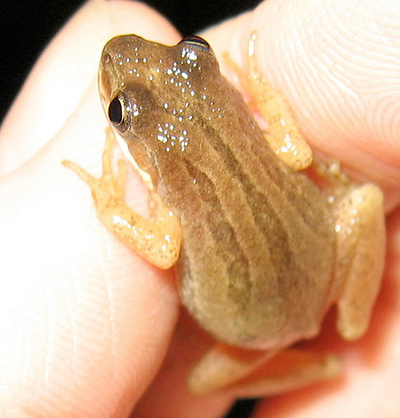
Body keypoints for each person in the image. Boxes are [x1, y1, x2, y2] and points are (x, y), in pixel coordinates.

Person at [0, 0, 398, 416]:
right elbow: (296, 153)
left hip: (262, 323)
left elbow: (163, 249)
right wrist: (260, 89)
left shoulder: (168, 212)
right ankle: (337, 342)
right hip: (299, 283)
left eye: (193, 52)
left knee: (200, 381)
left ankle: (324, 362)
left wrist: (107, 202)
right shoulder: (224, 152)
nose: (128, 51)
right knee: (364, 200)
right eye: (123, 112)